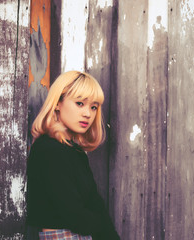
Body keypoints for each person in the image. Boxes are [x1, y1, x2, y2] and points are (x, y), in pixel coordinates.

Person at [26, 71, 120, 240]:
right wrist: (99, 225)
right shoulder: (48, 150)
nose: (88, 114)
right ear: (57, 103)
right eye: (79, 103)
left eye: (93, 107)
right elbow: (72, 213)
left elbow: (94, 203)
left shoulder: (74, 152)